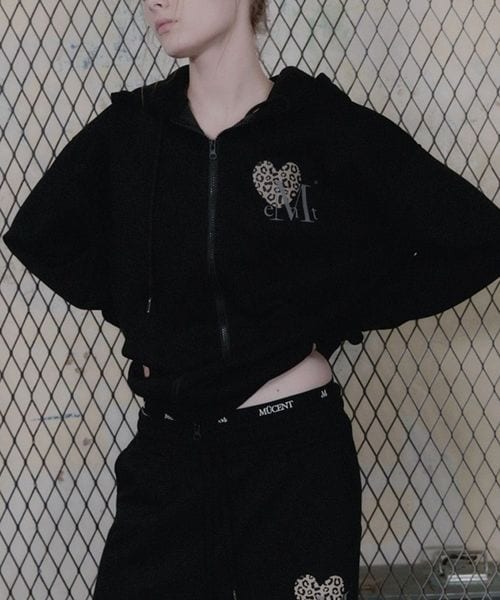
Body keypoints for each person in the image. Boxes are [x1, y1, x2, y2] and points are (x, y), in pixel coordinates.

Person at [3, 0, 500, 598]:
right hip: (169, 452)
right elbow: (39, 234)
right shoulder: (131, 131)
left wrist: (340, 304)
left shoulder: (318, 125)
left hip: (291, 457)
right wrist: (147, 309)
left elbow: (478, 238)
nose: (154, 1)